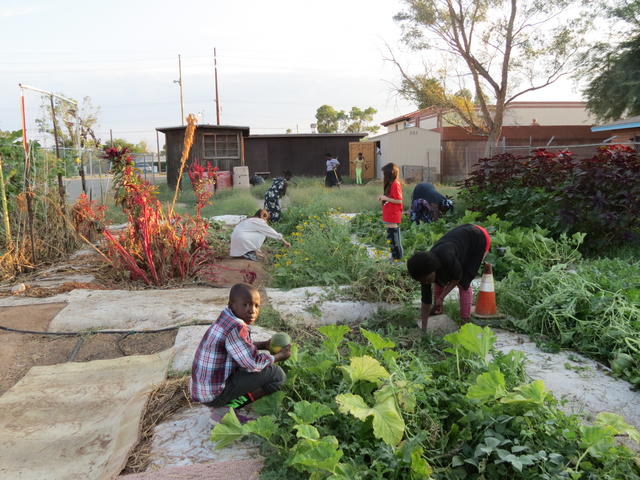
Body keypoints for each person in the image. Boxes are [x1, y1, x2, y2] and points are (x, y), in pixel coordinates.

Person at [190, 283, 292, 424]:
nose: (252, 311)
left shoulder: (226, 319)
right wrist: (278, 356)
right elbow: (252, 363)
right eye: (246, 305)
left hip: (204, 390)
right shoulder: (237, 327)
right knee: (276, 374)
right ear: (232, 305)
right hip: (214, 394)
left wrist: (263, 345)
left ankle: (226, 404)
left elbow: (237, 348)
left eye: (256, 306)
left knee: (257, 370)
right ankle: (226, 410)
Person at [406, 224, 491, 331]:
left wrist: (441, 298)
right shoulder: (425, 271)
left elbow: (457, 277)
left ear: (433, 269)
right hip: (462, 238)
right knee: (440, 279)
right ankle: (439, 310)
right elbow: (425, 301)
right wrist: (424, 329)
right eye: (423, 281)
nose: (426, 282)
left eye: (427, 279)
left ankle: (465, 322)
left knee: (464, 282)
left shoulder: (447, 257)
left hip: (478, 238)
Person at [378, 162, 403, 260]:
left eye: (385, 174)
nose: (384, 176)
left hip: (393, 214)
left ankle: (397, 258)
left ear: (390, 174)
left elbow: (399, 200)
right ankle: (394, 256)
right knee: (390, 237)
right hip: (389, 214)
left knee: (394, 237)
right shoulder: (391, 184)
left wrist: (385, 198)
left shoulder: (395, 184)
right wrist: (384, 198)